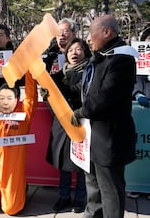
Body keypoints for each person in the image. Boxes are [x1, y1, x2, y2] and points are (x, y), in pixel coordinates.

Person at [71, 15, 137, 218]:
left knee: (110, 191)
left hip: (110, 137)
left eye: (91, 34)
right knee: (93, 184)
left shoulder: (121, 59)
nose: (89, 39)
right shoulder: (100, 56)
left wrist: (82, 111)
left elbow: (106, 96)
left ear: (107, 32)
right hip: (92, 135)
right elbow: (84, 88)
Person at [0, 55, 38, 215]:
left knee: (11, 209)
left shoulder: (24, 113)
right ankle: (0, 193)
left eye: (9, 97)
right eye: (2, 97)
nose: (5, 101)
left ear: (16, 99)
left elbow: (31, 96)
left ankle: (20, 188)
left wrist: (30, 71)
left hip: (13, 169)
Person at [46, 38, 91, 213]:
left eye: (79, 49)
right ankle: (63, 196)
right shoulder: (60, 74)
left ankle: (81, 198)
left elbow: (78, 91)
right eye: (71, 50)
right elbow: (49, 92)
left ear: (85, 52)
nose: (74, 53)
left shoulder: (90, 71)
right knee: (63, 163)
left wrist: (55, 87)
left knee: (81, 162)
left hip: (81, 122)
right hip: (61, 124)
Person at [127, 27, 150, 200]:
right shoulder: (136, 61)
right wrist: (138, 94)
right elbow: (132, 81)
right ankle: (134, 183)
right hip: (140, 109)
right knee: (138, 147)